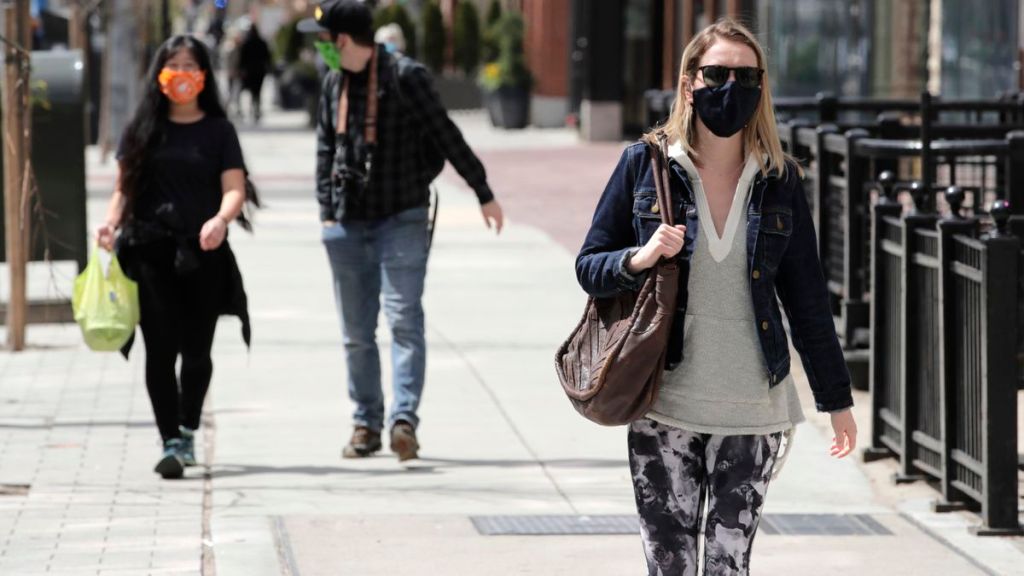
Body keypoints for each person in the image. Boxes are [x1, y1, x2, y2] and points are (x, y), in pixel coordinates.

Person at [576, 20, 857, 575]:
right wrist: (639, 258)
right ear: (689, 84)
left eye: (746, 77)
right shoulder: (646, 165)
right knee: (670, 567)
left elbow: (807, 300)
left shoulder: (779, 179)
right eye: (717, 74)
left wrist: (837, 400)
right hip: (664, 405)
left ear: (762, 87)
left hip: (753, 412)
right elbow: (590, 266)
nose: (732, 87)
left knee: (730, 567)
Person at [297, 0, 504, 462]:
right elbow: (325, 149)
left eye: (324, 40)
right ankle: (366, 424)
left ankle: (403, 420)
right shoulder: (334, 82)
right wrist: (326, 211)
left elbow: (446, 135)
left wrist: (482, 191)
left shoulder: (405, 77)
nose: (320, 49)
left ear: (342, 40)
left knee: (404, 320)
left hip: (401, 219)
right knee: (357, 332)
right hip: (346, 224)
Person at [97, 35, 259, 480]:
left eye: (190, 65)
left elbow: (234, 188)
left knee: (197, 352)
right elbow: (123, 189)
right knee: (159, 348)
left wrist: (221, 220)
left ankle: (188, 427)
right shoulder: (141, 130)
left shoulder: (219, 132)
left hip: (203, 252)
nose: (182, 74)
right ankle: (171, 439)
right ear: (159, 74)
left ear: (204, 74)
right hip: (149, 252)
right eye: (174, 65)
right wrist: (110, 223)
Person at [238, 23, 272, 123]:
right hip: (260, 70)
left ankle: (254, 108)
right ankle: (256, 108)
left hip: (250, 71)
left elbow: (242, 58)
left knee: (252, 91)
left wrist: (241, 69)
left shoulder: (247, 43)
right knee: (258, 91)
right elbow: (267, 57)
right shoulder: (261, 42)